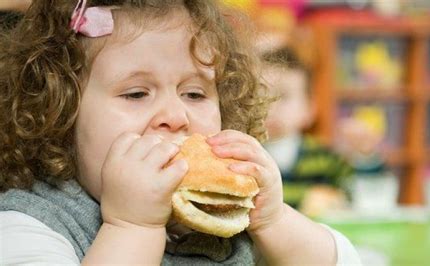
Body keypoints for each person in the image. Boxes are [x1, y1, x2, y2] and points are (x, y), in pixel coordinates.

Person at [0, 0, 361, 265]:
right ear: (59, 113)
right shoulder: (27, 225)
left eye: (194, 94)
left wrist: (274, 219)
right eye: (137, 93)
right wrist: (132, 226)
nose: (176, 116)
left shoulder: (230, 220)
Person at [261, 45, 353, 210]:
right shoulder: (243, 154)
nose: (270, 108)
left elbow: (357, 191)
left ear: (309, 108)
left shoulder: (325, 158)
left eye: (283, 96)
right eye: (259, 96)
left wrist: (365, 156)